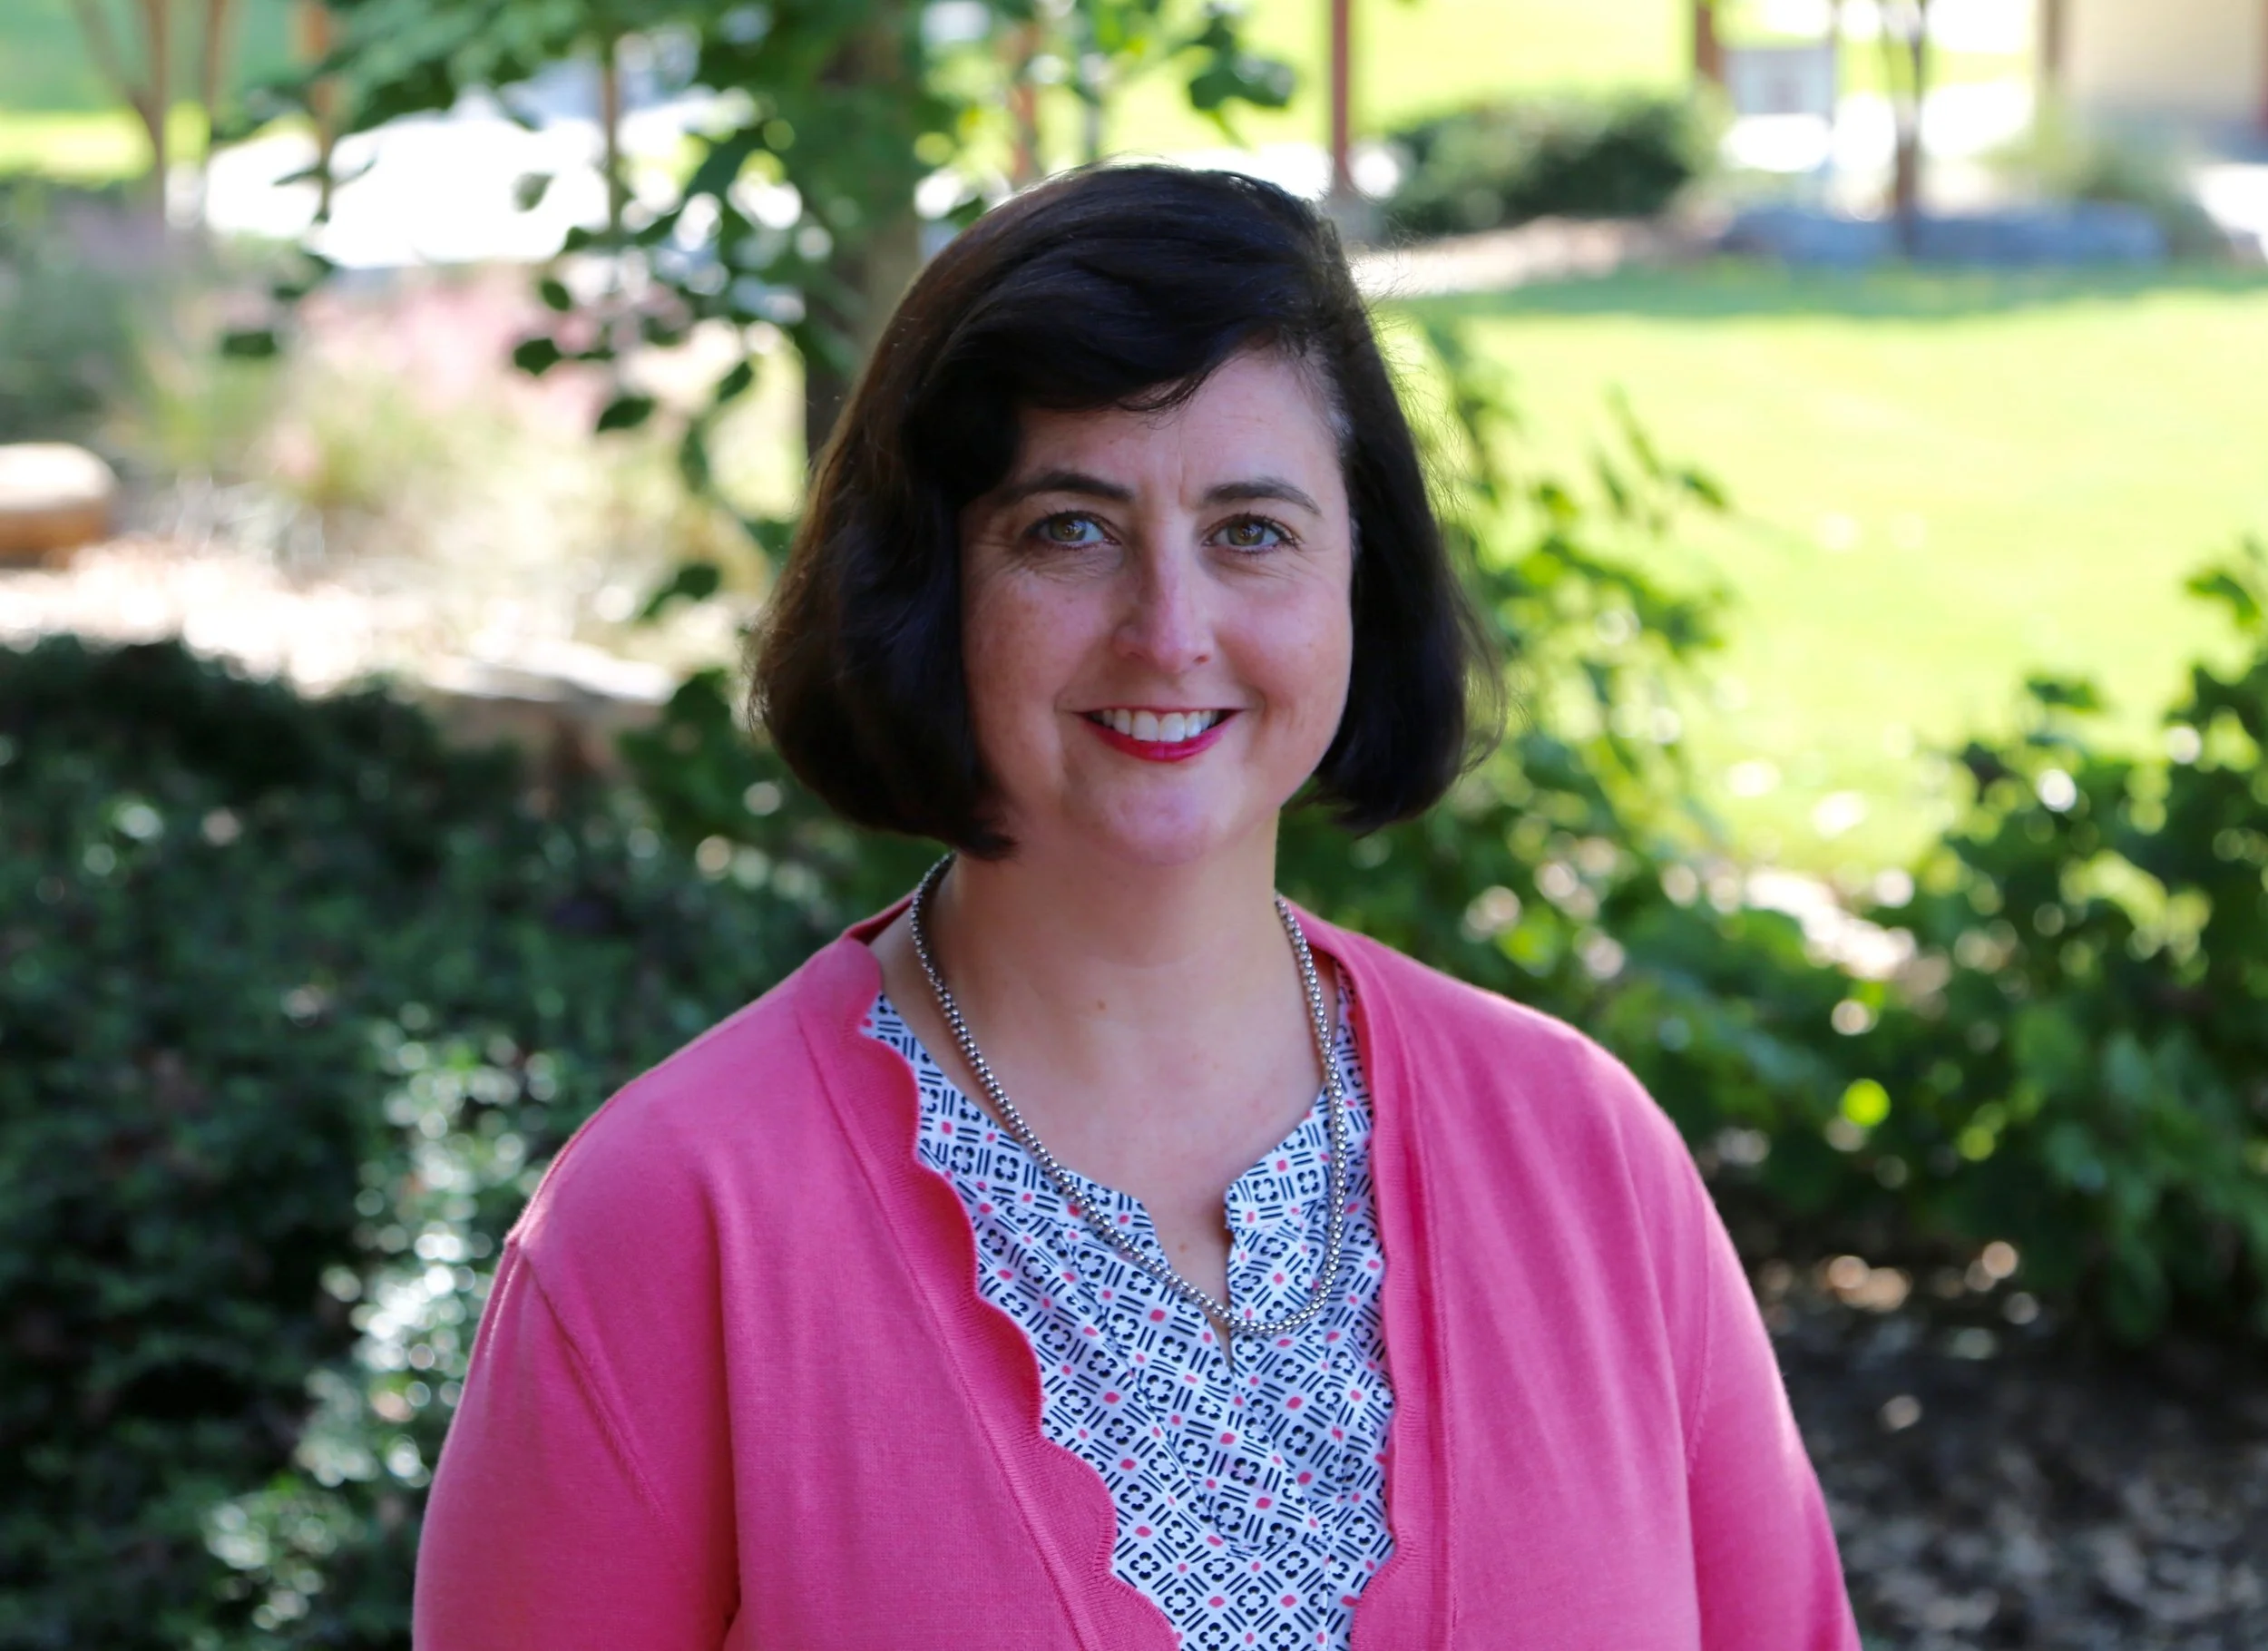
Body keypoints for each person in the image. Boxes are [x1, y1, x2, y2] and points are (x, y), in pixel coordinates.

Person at [415, 163, 1859, 1649]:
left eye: (1251, 530)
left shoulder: (1585, 1157)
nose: (1170, 632)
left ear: (1363, 578)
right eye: (1069, 529)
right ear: (929, 587)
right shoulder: (673, 1222)